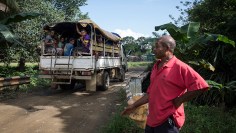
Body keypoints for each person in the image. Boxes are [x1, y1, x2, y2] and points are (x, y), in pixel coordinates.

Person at [122, 35, 209, 133]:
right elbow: (150, 94)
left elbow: (201, 86)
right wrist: (133, 105)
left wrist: (179, 100)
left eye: (157, 46)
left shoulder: (179, 66)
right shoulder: (156, 66)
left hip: (167, 121)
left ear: (167, 48)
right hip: (151, 119)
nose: (154, 50)